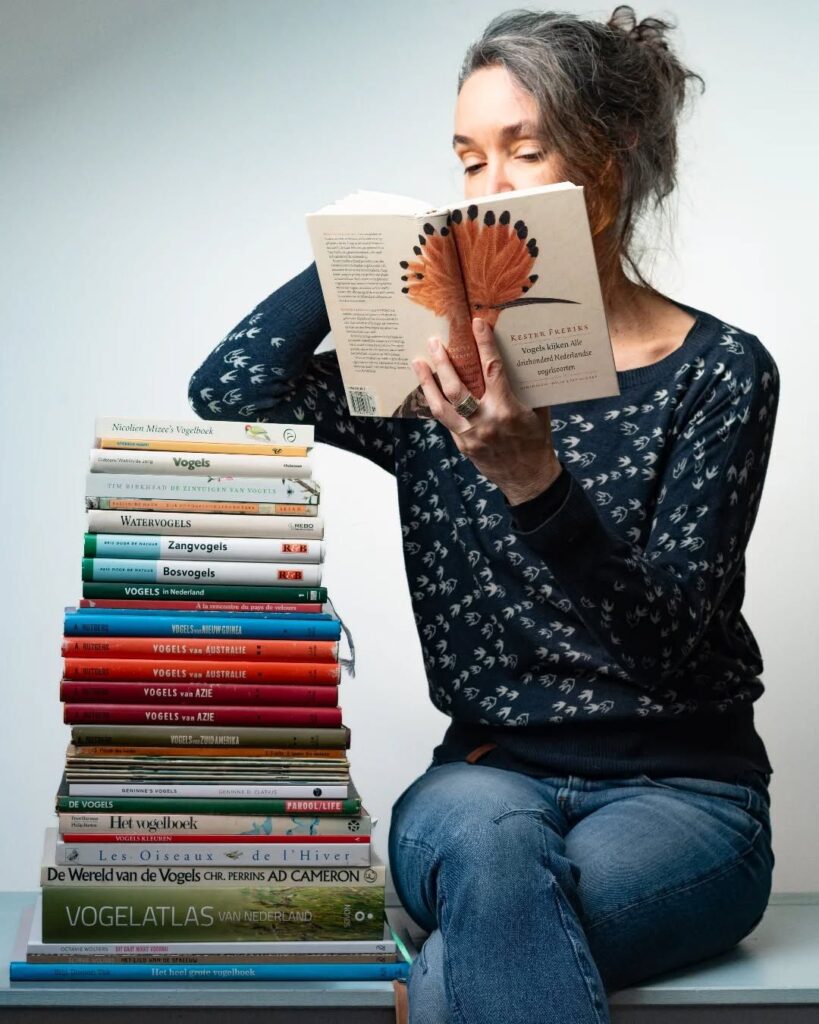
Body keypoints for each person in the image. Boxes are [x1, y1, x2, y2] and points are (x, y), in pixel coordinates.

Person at [188, 7, 778, 1022]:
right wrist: (365, 253)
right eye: (467, 161)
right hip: (480, 782)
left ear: (610, 157)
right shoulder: (434, 376)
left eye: (525, 149)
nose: (490, 189)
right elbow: (234, 388)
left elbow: (678, 648)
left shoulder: (719, 374)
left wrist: (536, 482)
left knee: (467, 960)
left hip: (683, 798)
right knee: (494, 847)